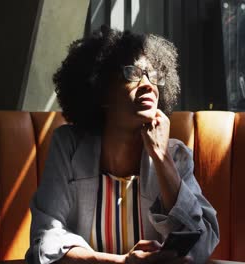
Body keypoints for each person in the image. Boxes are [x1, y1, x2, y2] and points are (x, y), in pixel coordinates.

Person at [25, 25, 219, 264]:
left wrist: (161, 158)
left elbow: (202, 243)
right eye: (134, 73)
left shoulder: (175, 155)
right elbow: (44, 242)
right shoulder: (68, 146)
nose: (148, 84)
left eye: (154, 75)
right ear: (100, 89)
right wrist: (120, 263)